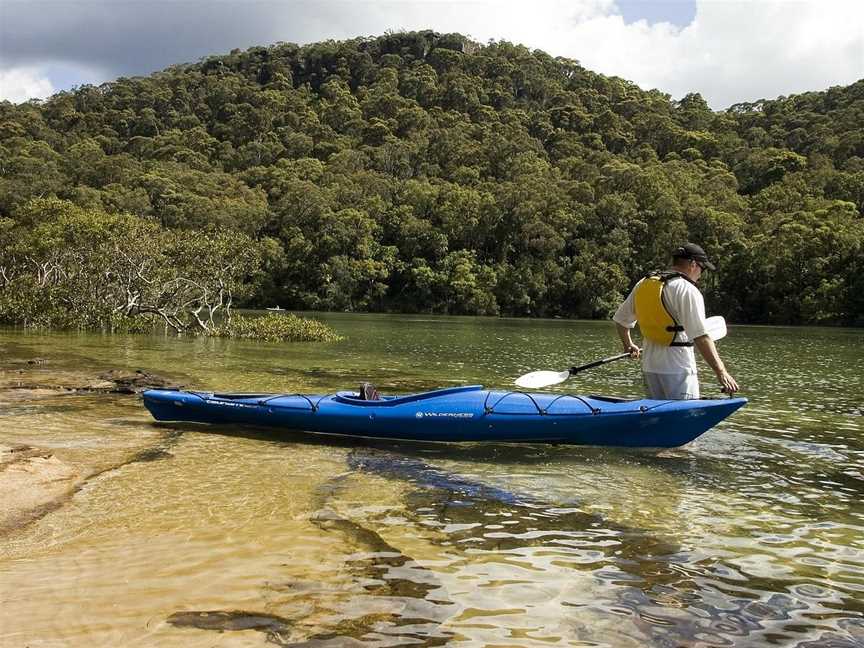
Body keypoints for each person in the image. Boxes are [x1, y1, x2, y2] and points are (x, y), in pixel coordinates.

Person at [612, 243, 739, 399]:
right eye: (702, 269)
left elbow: (621, 320)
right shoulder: (687, 290)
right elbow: (701, 337)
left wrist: (628, 344)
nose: (701, 274)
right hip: (678, 369)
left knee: (658, 418)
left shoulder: (644, 283)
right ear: (693, 264)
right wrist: (721, 372)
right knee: (685, 416)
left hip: (650, 367)